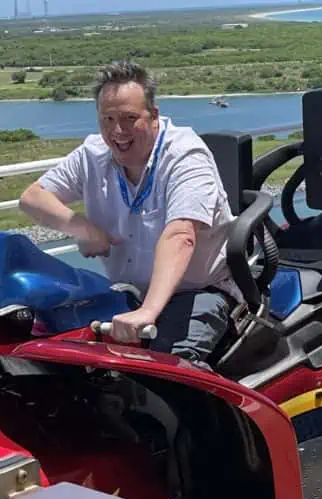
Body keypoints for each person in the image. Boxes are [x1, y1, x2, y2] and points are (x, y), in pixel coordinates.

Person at [18, 60, 242, 364]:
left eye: (129, 118)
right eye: (107, 119)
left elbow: (180, 235)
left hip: (198, 291)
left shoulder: (185, 156)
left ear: (154, 116)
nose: (117, 131)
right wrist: (85, 229)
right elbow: (32, 198)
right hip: (127, 295)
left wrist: (148, 312)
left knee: (170, 370)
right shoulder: (93, 154)